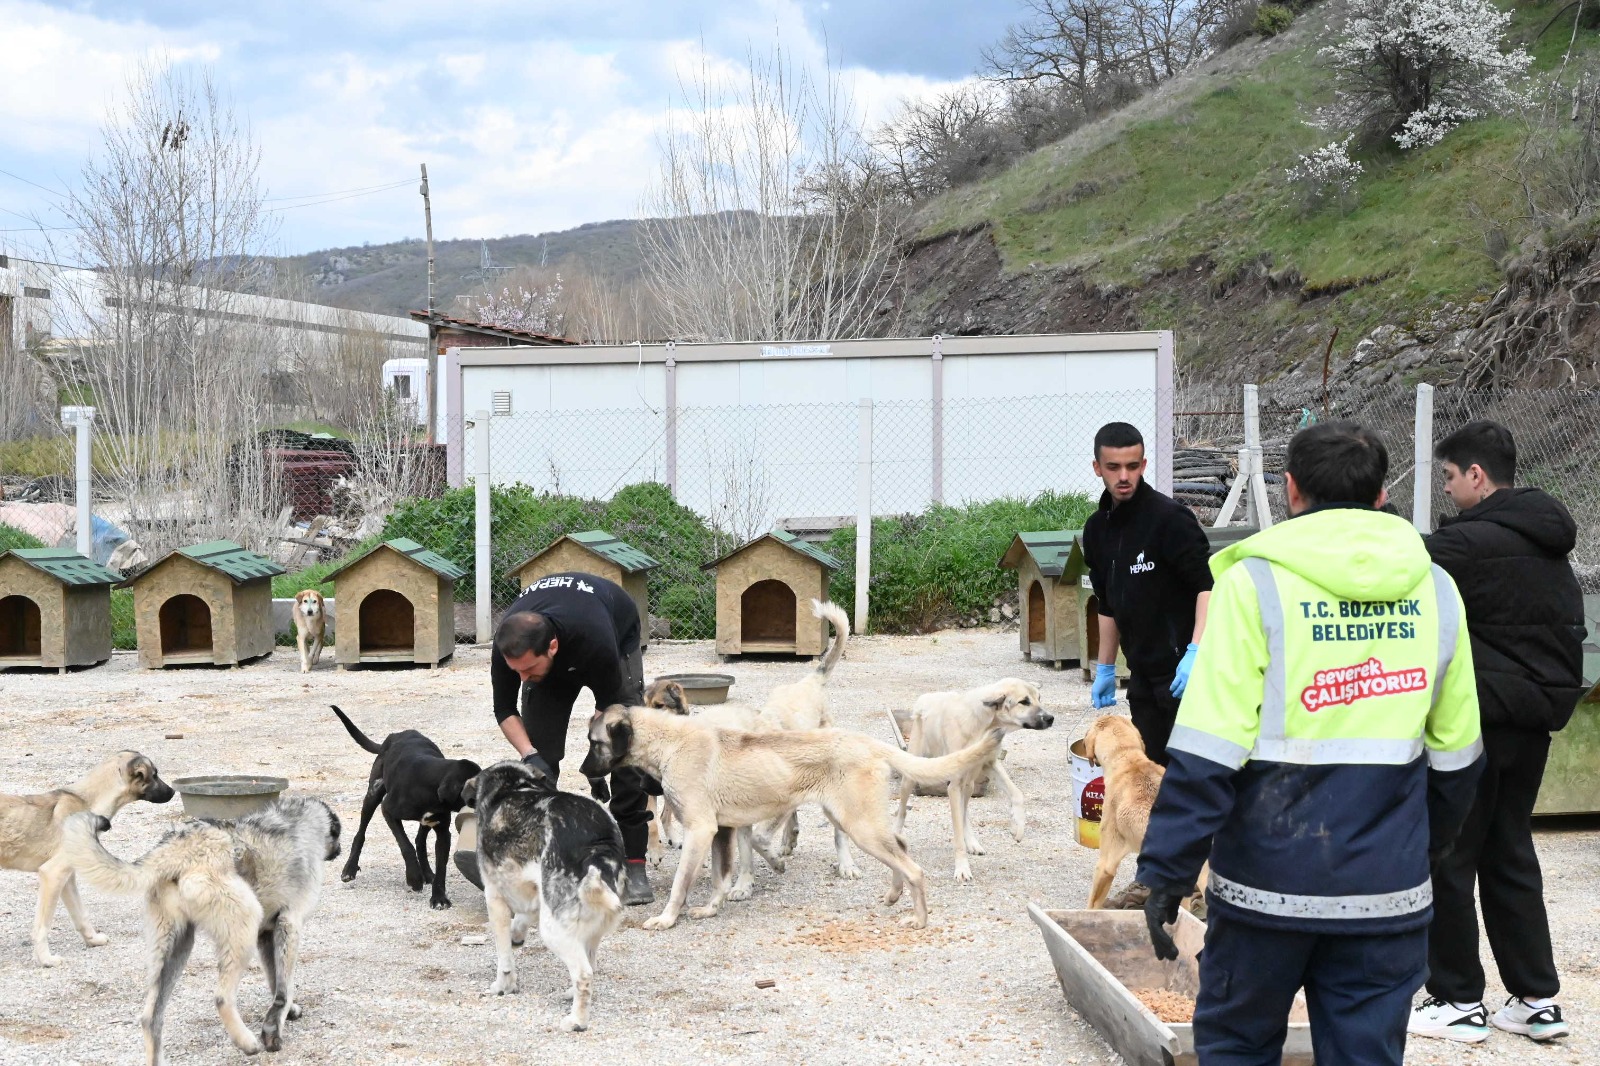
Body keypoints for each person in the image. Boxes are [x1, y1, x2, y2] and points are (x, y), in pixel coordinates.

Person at [1135, 420, 1486, 1065]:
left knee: (1238, 1046)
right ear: (1382, 495)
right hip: (1385, 894)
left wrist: (1167, 871)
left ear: (1291, 490)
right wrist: (1420, 847)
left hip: (1265, 892)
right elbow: (1458, 754)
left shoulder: (1254, 584)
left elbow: (1208, 752)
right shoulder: (1436, 588)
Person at [1408, 421, 1584, 1045]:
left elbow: (1397, 566)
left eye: (1449, 477)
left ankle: (1457, 999)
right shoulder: (1548, 538)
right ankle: (1536, 1000)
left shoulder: (1466, 543)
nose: (1447, 489)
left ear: (1476, 475)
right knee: (1509, 851)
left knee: (1451, 854)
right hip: (1535, 721)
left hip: (1478, 720)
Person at [489, 570, 656, 905]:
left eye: (527, 670)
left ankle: (632, 861)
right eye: (516, 671)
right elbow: (504, 710)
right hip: (558, 646)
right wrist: (530, 755)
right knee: (540, 759)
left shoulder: (596, 641)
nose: (522, 678)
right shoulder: (510, 647)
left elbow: (606, 714)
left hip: (615, 628)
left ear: (552, 647)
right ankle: (538, 859)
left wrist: (597, 765)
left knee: (624, 747)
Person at [1081, 421, 1213, 766]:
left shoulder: (1170, 519)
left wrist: (1196, 651)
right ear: (1097, 468)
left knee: (1193, 775)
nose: (1124, 476)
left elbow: (1207, 587)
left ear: (1143, 465)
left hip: (1183, 674)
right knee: (1152, 773)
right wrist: (1105, 667)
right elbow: (1107, 603)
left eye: (1132, 466)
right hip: (1141, 675)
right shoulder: (1096, 530)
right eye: (1113, 467)